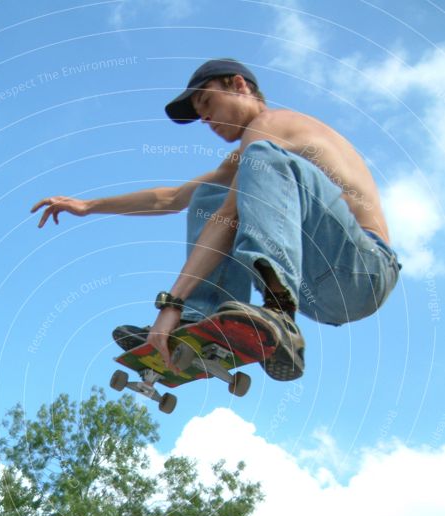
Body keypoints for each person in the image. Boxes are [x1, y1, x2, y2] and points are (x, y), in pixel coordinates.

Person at [31, 58, 400, 381]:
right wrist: (89, 205)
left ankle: (276, 311)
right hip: (318, 295)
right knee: (210, 193)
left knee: (256, 164)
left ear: (239, 85)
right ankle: (201, 319)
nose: (206, 119)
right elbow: (171, 198)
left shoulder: (272, 128)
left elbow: (227, 217)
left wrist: (169, 304)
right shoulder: (249, 157)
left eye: (208, 103)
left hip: (362, 271)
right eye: (200, 115)